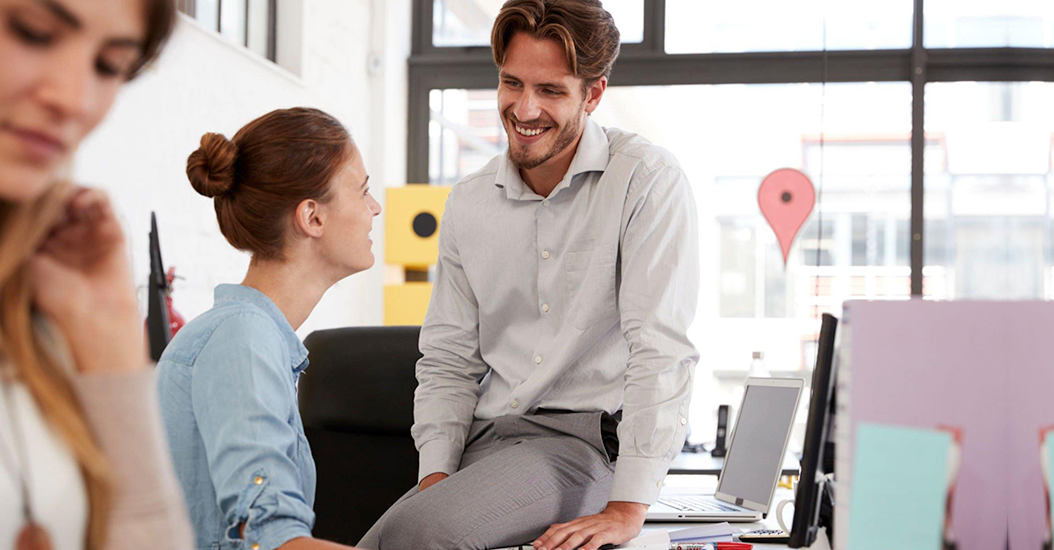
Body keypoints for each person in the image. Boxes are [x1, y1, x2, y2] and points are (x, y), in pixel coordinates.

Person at [359, 1, 700, 549]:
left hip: (581, 443)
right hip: (488, 440)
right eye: (511, 83)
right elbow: (448, 356)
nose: (524, 108)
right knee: (377, 544)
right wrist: (438, 475)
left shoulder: (645, 181)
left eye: (550, 90)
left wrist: (628, 507)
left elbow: (659, 348)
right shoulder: (470, 204)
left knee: (416, 536)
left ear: (593, 94)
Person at [0, 0, 194, 548]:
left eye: (109, 66)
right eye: (33, 33)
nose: (74, 98)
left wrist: (108, 337)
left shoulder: (42, 319)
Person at [157, 107, 382, 550]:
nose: (374, 207)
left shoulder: (250, 336)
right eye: (363, 191)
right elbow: (272, 540)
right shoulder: (242, 341)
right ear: (312, 217)